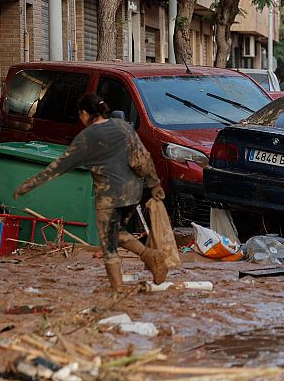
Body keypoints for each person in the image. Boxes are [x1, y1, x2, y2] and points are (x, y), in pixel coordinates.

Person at [14, 94, 169, 292]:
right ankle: (150, 256)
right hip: (132, 192)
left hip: (109, 197)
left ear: (86, 114)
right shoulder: (122, 127)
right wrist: (154, 184)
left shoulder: (86, 138)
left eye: (80, 114)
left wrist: (27, 185)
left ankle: (118, 288)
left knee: (109, 245)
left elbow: (58, 167)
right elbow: (143, 158)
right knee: (118, 234)